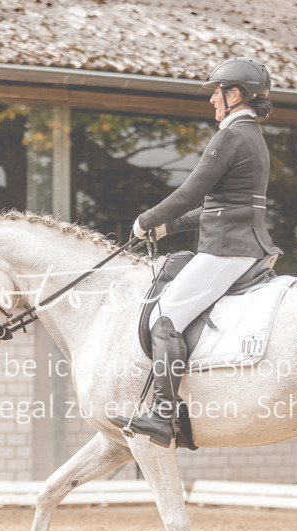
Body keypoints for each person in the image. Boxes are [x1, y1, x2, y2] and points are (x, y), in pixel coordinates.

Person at [110, 56, 280, 448]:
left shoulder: (230, 137)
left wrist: (146, 220)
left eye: (217, 92)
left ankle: (162, 415)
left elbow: (190, 193)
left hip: (227, 249)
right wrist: (167, 227)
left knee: (164, 317)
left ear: (235, 94)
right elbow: (220, 208)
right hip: (240, 242)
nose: (212, 100)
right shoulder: (252, 136)